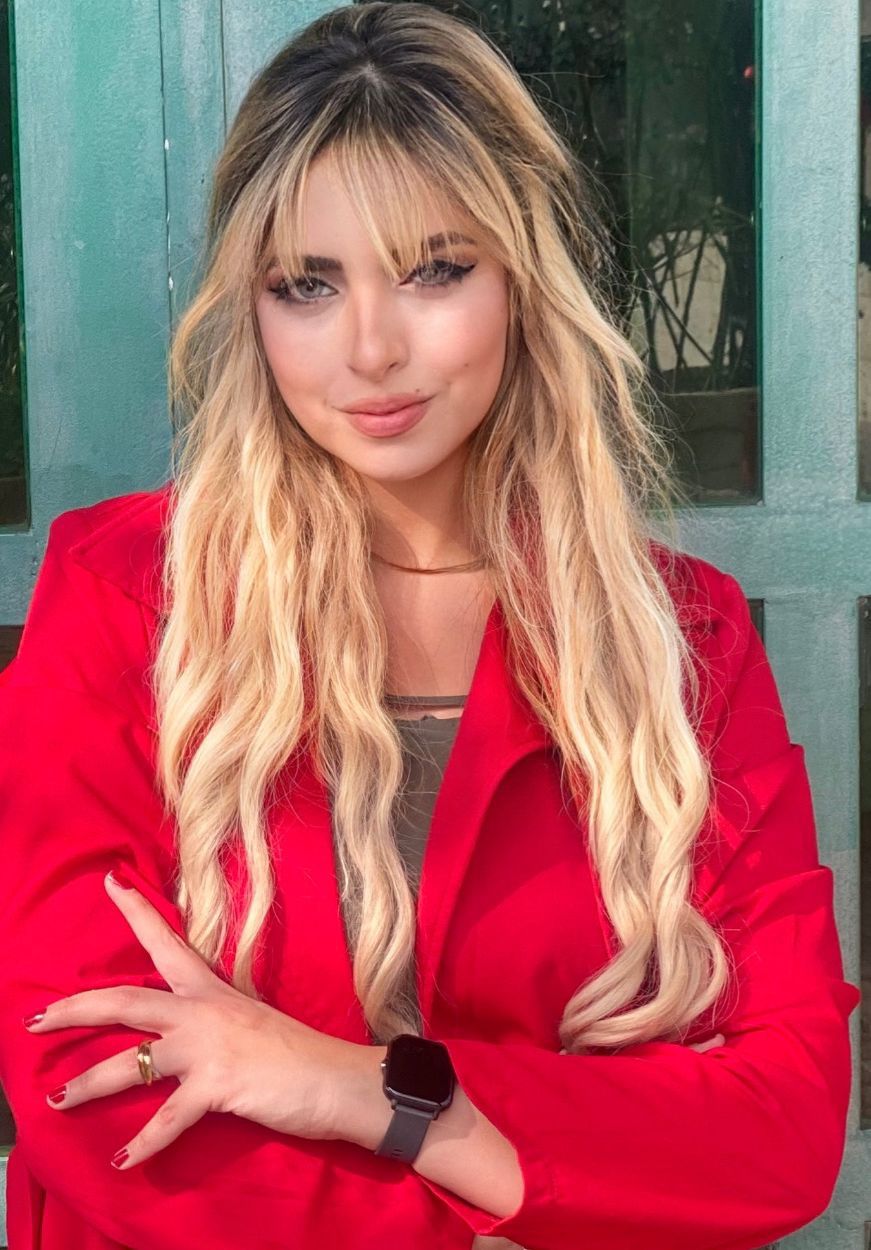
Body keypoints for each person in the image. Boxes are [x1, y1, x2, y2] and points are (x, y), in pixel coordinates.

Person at [0, 3, 859, 1248]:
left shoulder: (682, 639)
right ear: (253, 306)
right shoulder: (127, 596)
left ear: (522, 278)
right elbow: (90, 1090)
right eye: (307, 284)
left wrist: (369, 1092)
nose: (371, 349)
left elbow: (781, 1125)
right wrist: (534, 1177)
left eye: (435, 270)